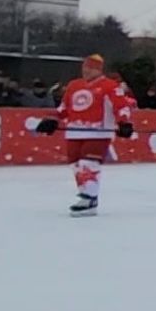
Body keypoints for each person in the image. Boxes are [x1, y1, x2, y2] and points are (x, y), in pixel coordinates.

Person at [32, 54, 136, 215]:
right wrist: (52, 120)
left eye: (91, 68)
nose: (86, 71)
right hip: (74, 131)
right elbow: (64, 108)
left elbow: (120, 106)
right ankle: (85, 193)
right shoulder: (74, 85)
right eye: (85, 67)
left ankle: (90, 198)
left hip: (98, 132)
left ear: (98, 70)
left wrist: (124, 122)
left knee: (89, 162)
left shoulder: (110, 86)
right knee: (76, 164)